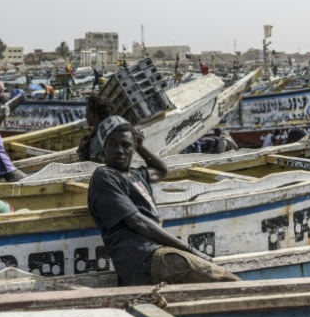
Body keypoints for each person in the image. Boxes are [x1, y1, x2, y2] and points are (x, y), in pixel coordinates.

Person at [87, 116, 241, 286]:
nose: (119, 150)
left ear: (133, 148)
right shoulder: (105, 176)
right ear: (105, 147)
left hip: (155, 255)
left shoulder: (137, 175)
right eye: (113, 144)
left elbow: (162, 170)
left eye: (126, 145)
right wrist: (190, 250)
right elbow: (137, 222)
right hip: (143, 257)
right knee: (227, 282)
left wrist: (141, 146)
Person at [77, 95, 112, 163]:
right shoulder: (109, 129)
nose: (85, 115)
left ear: (92, 114)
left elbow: (92, 169)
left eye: (87, 111)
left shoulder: (98, 137)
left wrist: (80, 151)